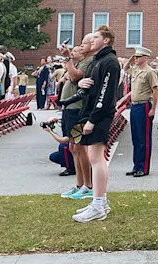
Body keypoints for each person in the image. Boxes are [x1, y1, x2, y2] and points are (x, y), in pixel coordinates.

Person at [73, 26, 121, 223]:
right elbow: (93, 86)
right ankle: (100, 201)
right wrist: (82, 83)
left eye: (96, 37)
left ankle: (98, 204)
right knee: (95, 158)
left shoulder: (110, 61)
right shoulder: (97, 60)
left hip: (101, 115)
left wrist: (93, 119)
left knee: (96, 158)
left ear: (107, 40)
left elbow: (106, 93)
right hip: (93, 112)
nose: (91, 40)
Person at [59, 39, 94, 202]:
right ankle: (79, 184)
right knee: (73, 147)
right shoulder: (77, 63)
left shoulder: (87, 62)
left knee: (80, 147)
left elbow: (74, 77)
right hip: (68, 108)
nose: (73, 51)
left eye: (78, 49)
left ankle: (88, 185)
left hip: (77, 108)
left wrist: (68, 59)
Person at [126, 47, 158, 178]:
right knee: (135, 138)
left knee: (143, 139)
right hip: (134, 106)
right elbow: (125, 68)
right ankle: (136, 166)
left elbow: (155, 90)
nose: (136, 59)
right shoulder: (134, 69)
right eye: (135, 57)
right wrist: (130, 59)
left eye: (138, 57)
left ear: (145, 58)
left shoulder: (150, 72)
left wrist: (153, 109)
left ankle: (143, 168)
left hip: (144, 105)